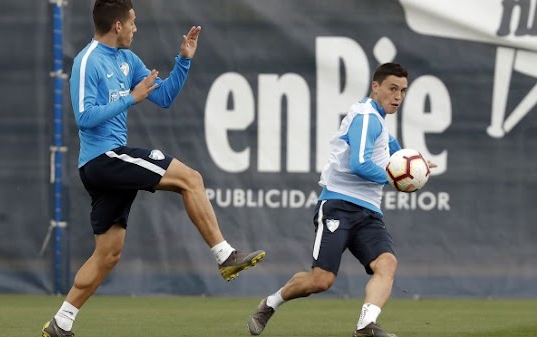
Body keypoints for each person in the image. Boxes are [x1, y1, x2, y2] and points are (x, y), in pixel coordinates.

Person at [41, 1, 265, 336]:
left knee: (108, 255)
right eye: (132, 22)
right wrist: (131, 98)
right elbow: (84, 118)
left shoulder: (127, 60)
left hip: (109, 164)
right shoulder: (88, 61)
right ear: (117, 25)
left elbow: (163, 97)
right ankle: (224, 255)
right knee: (190, 179)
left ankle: (61, 322)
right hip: (104, 159)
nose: (136, 28)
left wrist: (184, 61)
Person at [246, 63, 436, 337]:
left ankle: (365, 326)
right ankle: (270, 304)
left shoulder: (378, 119)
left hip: (368, 212)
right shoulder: (366, 118)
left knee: (387, 264)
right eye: (393, 88)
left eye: (403, 91)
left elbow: (391, 147)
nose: (398, 96)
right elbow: (360, 164)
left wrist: (415, 164)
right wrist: (394, 176)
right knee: (321, 280)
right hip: (339, 205)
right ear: (375, 86)